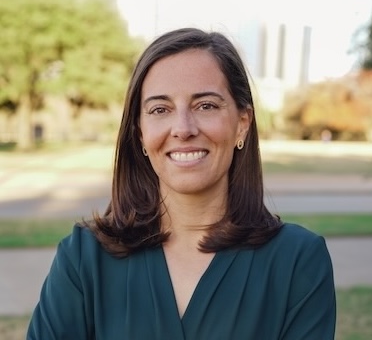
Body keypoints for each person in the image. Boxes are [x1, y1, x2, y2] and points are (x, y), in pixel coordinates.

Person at [27, 27, 336, 339]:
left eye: (206, 105)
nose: (183, 129)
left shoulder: (298, 261)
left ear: (242, 123)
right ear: (141, 134)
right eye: (160, 109)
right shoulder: (84, 258)